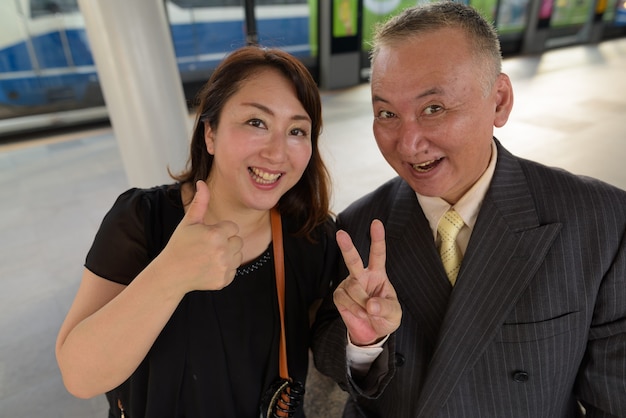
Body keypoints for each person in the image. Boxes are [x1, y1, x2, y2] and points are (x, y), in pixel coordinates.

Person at [312, 2, 626, 417]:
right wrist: (365, 346)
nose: (407, 144)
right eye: (386, 113)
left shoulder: (599, 221)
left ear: (498, 101)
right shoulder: (359, 228)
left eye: (434, 108)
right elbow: (334, 358)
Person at [55, 46, 340, 418]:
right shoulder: (141, 219)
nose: (277, 152)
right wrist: (169, 275)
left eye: (297, 130)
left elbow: (332, 348)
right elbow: (80, 377)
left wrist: (367, 337)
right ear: (210, 133)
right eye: (256, 122)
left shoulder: (312, 236)